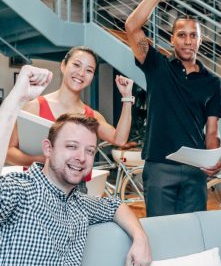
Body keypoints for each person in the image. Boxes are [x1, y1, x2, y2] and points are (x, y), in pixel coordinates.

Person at [0, 65, 177, 266]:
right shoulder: (21, 190)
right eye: (71, 147)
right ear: (48, 149)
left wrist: (140, 238)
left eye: (90, 151)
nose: (82, 158)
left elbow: (115, 206)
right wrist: (16, 100)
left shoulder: (79, 203)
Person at [125, 0, 221, 217]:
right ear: (172, 39)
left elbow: (211, 131)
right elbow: (131, 26)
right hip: (159, 167)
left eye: (193, 35)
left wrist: (211, 160)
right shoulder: (157, 65)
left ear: (200, 41)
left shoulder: (212, 82)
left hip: (194, 170)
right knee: (159, 234)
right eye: (181, 34)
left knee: (193, 233)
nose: (188, 40)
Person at [6, 46, 134, 179]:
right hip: (39, 189)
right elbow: (8, 151)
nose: (81, 73)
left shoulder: (92, 116)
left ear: (92, 78)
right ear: (63, 65)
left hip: (77, 191)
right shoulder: (33, 107)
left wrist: (127, 98)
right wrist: (40, 160)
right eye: (76, 65)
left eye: (89, 70)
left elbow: (119, 139)